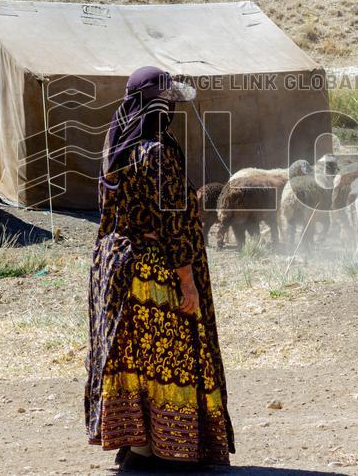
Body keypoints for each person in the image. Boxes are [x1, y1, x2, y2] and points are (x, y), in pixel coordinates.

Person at [85, 66, 234, 470]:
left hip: (114, 266)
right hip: (152, 271)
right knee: (166, 358)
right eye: (168, 103)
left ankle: (138, 444)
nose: (171, 111)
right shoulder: (157, 153)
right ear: (157, 106)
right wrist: (187, 282)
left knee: (133, 356)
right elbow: (173, 221)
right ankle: (165, 449)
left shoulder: (115, 145)